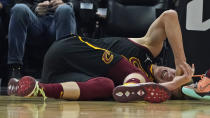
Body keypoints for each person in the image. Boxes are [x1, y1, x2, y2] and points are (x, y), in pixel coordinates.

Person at [7, 10, 194, 103]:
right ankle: (136, 84)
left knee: (106, 86)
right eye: (174, 74)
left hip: (58, 75)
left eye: (177, 87)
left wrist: (173, 86)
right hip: (69, 49)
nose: (172, 75)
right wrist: (181, 63)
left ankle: (37, 88)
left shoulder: (143, 88)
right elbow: (170, 15)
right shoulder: (150, 49)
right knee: (137, 76)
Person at [7, 0, 77, 79]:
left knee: (65, 9)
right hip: (35, 21)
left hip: (59, 20)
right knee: (19, 8)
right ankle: (15, 68)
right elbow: (16, 2)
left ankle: (63, 70)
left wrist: (67, 4)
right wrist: (35, 8)